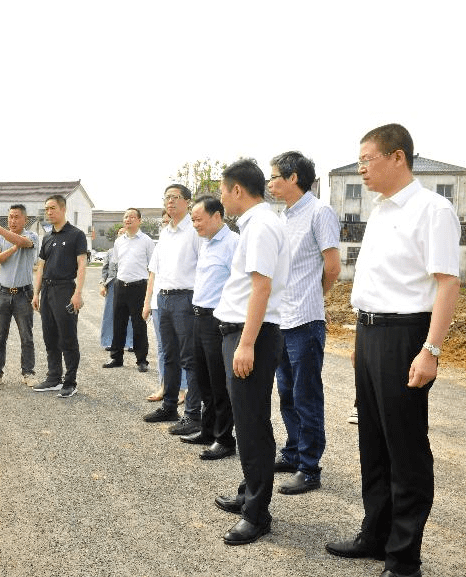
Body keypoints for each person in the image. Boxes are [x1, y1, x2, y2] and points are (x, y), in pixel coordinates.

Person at [326, 124, 460, 577]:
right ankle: (376, 534)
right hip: (370, 333)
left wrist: (431, 350)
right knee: (373, 441)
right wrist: (361, 341)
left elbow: (448, 283)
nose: (361, 168)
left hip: (406, 335)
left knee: (405, 447)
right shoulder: (381, 210)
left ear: (397, 157)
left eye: (367, 159)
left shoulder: (433, 209)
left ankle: (403, 559)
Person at [212, 158, 289, 546]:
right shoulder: (256, 224)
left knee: (253, 425)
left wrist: (245, 343)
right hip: (245, 333)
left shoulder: (260, 226)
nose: (222, 198)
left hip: (251, 335)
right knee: (248, 421)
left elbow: (262, 288)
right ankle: (249, 494)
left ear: (237, 190)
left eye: (223, 191)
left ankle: (257, 514)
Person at [266, 151, 341, 495]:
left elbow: (333, 268)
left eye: (274, 177)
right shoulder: (283, 217)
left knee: (306, 396)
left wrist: (315, 296)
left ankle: (310, 468)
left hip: (305, 321)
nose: (270, 183)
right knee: (286, 393)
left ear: (293, 177)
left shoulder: (319, 212)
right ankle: (293, 451)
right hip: (282, 319)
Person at [141, 184, 202, 435]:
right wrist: (149, 301)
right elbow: (154, 270)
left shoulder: (195, 231)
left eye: (175, 197)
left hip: (186, 299)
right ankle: (169, 406)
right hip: (164, 299)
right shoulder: (165, 233)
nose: (170, 202)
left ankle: (193, 414)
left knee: (190, 358)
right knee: (169, 356)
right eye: (166, 197)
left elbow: (203, 268)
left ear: (187, 201)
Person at [183, 196, 239, 461]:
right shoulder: (206, 243)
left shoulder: (233, 244)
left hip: (219, 320)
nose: (195, 224)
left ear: (217, 216)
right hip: (199, 317)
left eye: (198, 219)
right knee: (203, 378)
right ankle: (208, 430)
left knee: (219, 383)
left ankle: (225, 439)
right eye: (192, 220)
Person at [32, 194, 87, 398]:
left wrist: (77, 293)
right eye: (46, 209)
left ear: (63, 209)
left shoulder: (76, 235)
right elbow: (41, 267)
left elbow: (82, 265)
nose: (49, 212)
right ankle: (54, 377)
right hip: (47, 290)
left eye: (53, 208)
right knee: (50, 336)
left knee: (68, 337)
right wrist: (36, 293)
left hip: (65, 289)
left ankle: (70, 382)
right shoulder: (47, 237)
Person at [0, 204, 40, 388]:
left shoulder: (32, 236)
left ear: (25, 219)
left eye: (16, 217)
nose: (12, 221)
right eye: (10, 217)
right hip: (2, 293)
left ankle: (28, 373)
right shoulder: (0, 238)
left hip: (24, 293)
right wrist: (14, 248)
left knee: (26, 337)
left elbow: (23, 242)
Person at [103, 208, 155, 372]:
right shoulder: (119, 241)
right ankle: (116, 357)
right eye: (126, 217)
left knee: (139, 324)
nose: (128, 219)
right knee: (118, 322)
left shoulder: (146, 241)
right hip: (120, 285)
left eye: (132, 217)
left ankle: (142, 360)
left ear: (139, 220)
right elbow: (116, 263)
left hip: (139, 287)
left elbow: (152, 266)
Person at [147, 209, 187, 404]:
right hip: (158, 302)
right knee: (163, 348)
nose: (166, 224)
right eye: (163, 222)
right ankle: (164, 385)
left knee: (181, 348)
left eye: (168, 220)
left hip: (179, 301)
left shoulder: (186, 239)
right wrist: (147, 302)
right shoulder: (161, 242)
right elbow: (152, 275)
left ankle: (182, 388)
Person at [99, 231, 133, 351]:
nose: (121, 234)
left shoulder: (132, 250)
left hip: (129, 284)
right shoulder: (110, 252)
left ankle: (130, 342)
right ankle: (109, 341)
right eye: (119, 232)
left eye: (124, 232)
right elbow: (105, 269)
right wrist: (102, 284)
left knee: (130, 313)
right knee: (110, 313)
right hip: (112, 283)